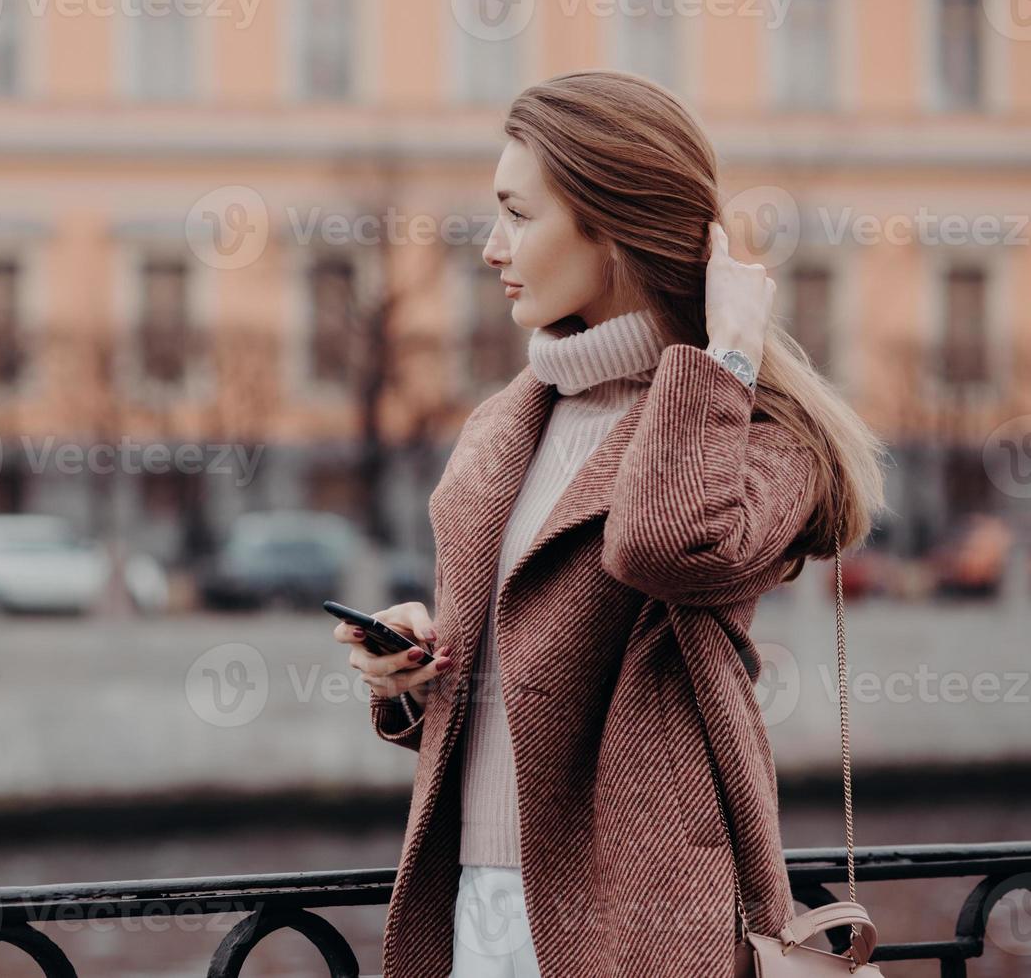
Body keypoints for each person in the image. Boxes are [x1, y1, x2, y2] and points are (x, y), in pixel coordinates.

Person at [333, 69, 888, 977]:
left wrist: (728, 356)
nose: (490, 247)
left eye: (517, 213)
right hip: (471, 895)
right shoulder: (505, 424)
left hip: (640, 912)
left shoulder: (761, 435)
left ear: (610, 223)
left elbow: (665, 544)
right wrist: (408, 666)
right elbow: (517, 670)